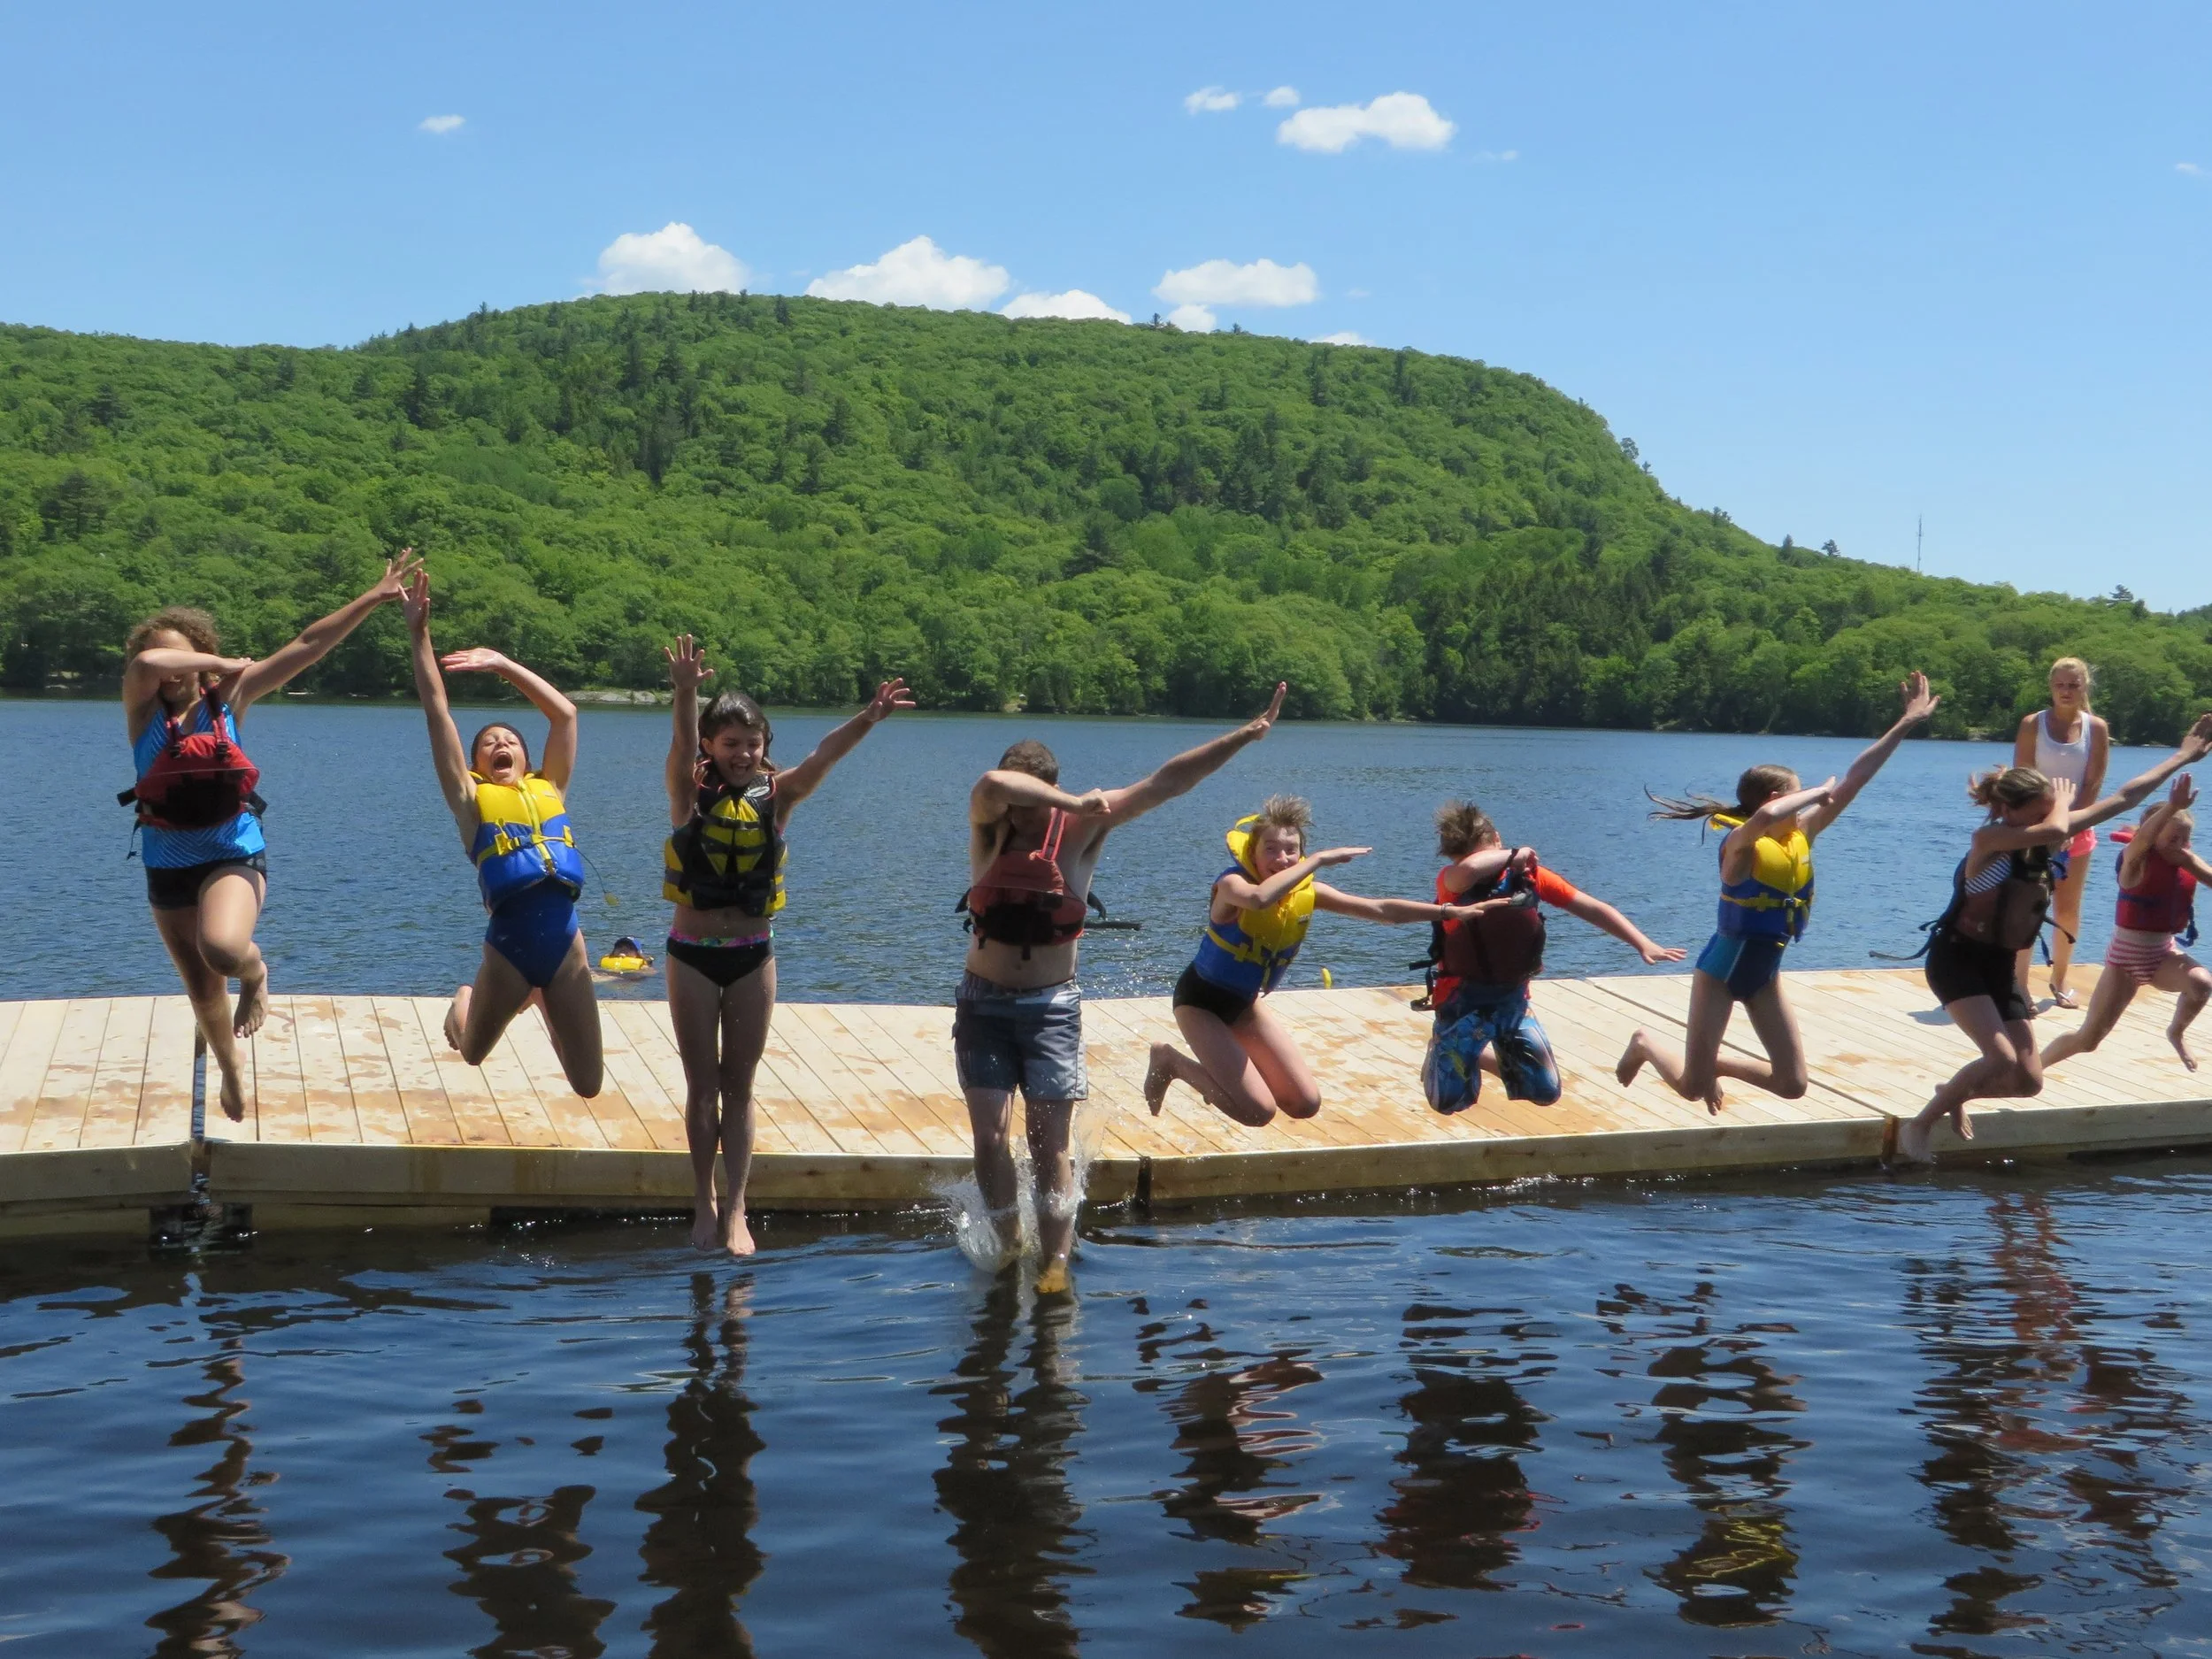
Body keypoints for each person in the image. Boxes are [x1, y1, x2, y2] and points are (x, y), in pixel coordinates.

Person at [957, 683, 1288, 1294]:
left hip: (1050, 1008)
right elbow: (991, 785)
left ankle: (1054, 1262)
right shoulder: (989, 825)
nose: (1018, 814)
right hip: (983, 1001)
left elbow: (1168, 782)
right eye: (1021, 799)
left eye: (1032, 805)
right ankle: (1007, 1247)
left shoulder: (1080, 830)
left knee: (1049, 1142)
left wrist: (1245, 735)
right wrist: (1070, 798)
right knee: (987, 1136)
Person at [120, 549, 421, 1122]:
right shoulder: (141, 711)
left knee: (226, 950)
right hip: (165, 863)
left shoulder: (229, 698)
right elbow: (144, 665)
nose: (166, 673)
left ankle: (257, 972)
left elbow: (309, 645)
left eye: (179, 662)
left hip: (232, 852)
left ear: (199, 663)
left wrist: (373, 596)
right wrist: (220, 657)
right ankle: (230, 1070)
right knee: (203, 990)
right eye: (161, 662)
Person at [661, 633, 914, 1256]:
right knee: (701, 1084)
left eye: (752, 744)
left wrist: (870, 716)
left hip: (752, 954)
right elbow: (677, 746)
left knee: (739, 1085)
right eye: (729, 743)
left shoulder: (779, 798)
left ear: (764, 747)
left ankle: (739, 1206)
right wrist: (687, 690)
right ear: (709, 747)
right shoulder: (687, 795)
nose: (743, 754)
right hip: (691, 954)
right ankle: (703, 1201)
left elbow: (826, 754)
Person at [1895, 712, 2212, 1164]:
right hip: (1958, 959)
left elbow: (2126, 796)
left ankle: (1955, 1090)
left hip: (1999, 964)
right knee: (1999, 1058)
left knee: (2028, 1080)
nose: (2052, 815)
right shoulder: (1987, 837)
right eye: (2040, 809)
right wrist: (2062, 804)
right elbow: (2060, 828)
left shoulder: (2043, 836)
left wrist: (2182, 758)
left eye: (2050, 809)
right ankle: (1920, 1124)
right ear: (2010, 811)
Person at [1618, 672, 1940, 1111]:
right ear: (1778, 796)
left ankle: (1717, 1065)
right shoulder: (1740, 844)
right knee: (1692, 1086)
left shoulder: (1803, 834)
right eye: (1799, 791)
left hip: (1764, 972)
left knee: (1792, 1085)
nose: (1814, 799)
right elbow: (1767, 813)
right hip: (1720, 973)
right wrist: (1818, 791)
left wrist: (1907, 722)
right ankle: (1644, 1043)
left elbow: (1858, 776)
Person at [1140, 795, 1465, 1128]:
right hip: (1201, 1002)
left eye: (1291, 850)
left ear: (1300, 852)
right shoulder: (1232, 885)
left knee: (1304, 1103)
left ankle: (1231, 1072)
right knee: (1257, 1112)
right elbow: (1260, 898)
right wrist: (1319, 859)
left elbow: (1382, 911)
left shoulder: (1306, 893)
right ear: (1252, 851)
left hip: (1243, 1004)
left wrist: (1447, 912)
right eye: (1271, 849)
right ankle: (1171, 1062)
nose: (1282, 859)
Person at [403, 569, 603, 1096]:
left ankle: (544, 1001)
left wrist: (501, 663)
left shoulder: (550, 787)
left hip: (566, 946)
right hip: (509, 947)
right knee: (471, 1052)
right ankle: (467, 994)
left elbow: (565, 714)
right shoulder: (471, 804)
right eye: (488, 743)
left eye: (508, 739)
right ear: (476, 765)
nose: (499, 744)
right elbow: (436, 710)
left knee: (588, 1085)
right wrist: (419, 635)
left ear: (526, 758)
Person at [1418, 801, 1685, 1114]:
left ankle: (1474, 1054)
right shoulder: (1452, 882)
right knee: (1450, 1102)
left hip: (1511, 1002)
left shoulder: (1529, 877)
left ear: (1498, 839)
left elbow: (1591, 907)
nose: (1481, 862)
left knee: (1544, 1091)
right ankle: (1442, 1049)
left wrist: (1641, 942)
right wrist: (1516, 852)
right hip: (1462, 1004)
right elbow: (1469, 870)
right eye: (1470, 856)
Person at [2041, 776, 2212, 1075]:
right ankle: (2034, 1067)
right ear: (2152, 834)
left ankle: (2176, 1032)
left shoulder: (2182, 859)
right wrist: (2172, 805)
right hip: (2125, 961)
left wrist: (2187, 854)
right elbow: (2143, 841)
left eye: (2185, 839)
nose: (2180, 846)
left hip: (2163, 956)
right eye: (2173, 839)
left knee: (2202, 984)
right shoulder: (2135, 861)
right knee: (2089, 1039)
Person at [2013, 657, 2108, 1010]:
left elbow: (2093, 783)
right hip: (2033, 828)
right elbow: (2022, 780)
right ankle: (2019, 984)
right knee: (2028, 906)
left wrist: (2069, 825)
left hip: (2079, 828)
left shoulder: (2095, 728)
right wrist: (2048, 825)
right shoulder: (2031, 725)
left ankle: (2059, 979)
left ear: (2084, 688)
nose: (2066, 691)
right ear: (2051, 687)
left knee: (2067, 910)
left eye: (2073, 685)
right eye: (2060, 685)